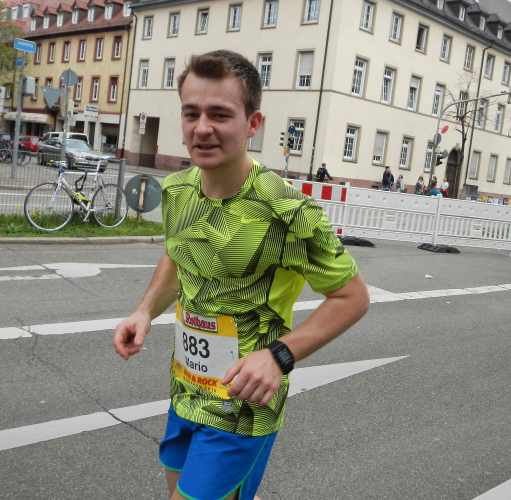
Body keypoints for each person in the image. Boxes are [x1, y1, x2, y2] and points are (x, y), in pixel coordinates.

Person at [113, 50, 370, 500]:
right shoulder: (177, 190)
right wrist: (144, 311)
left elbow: (353, 298)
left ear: (253, 123)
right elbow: (178, 254)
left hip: (243, 405)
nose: (202, 128)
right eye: (191, 113)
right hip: (185, 388)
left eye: (219, 115)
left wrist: (279, 356)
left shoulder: (288, 210)